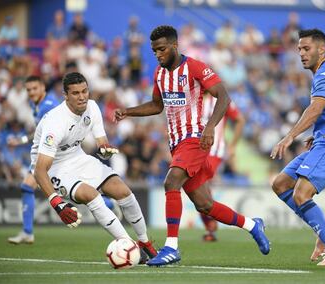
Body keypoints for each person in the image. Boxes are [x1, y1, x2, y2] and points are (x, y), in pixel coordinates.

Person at [114, 25, 270, 266]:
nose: (158, 54)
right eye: (154, 50)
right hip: (177, 143)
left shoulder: (195, 67)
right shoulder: (159, 74)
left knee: (171, 181)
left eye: (162, 49)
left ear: (175, 46)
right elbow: (157, 106)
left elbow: (224, 96)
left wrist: (209, 128)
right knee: (204, 204)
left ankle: (171, 247)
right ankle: (252, 225)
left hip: (195, 139)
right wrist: (128, 111)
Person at [30, 72, 157, 262]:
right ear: (65, 96)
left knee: (122, 189)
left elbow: (101, 142)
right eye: (75, 93)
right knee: (90, 194)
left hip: (77, 157)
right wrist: (56, 203)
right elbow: (40, 170)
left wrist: (105, 149)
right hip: (53, 167)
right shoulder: (55, 122)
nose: (82, 97)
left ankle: (145, 243)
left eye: (84, 91)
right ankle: (128, 246)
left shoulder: (92, 107)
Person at [271, 29, 325, 266]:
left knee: (301, 193)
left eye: (306, 48)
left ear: (322, 49)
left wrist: (290, 136)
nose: (301, 53)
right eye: (299, 49)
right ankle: (324, 229)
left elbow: (316, 108)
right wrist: (316, 133)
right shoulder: (322, 74)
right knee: (280, 184)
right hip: (323, 141)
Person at [8, 75, 60, 244]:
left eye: (34, 89)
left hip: (57, 152)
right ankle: (27, 232)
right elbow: (39, 131)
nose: (31, 93)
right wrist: (21, 140)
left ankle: (27, 232)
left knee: (67, 193)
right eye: (28, 90)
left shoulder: (49, 106)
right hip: (49, 151)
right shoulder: (35, 104)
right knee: (30, 186)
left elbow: (49, 134)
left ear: (43, 87)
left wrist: (21, 140)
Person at [200, 93, 245, 242]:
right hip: (193, 151)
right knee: (197, 190)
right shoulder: (192, 97)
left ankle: (211, 226)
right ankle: (210, 224)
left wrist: (232, 146)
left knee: (200, 186)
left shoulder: (221, 100)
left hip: (214, 151)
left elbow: (239, 120)